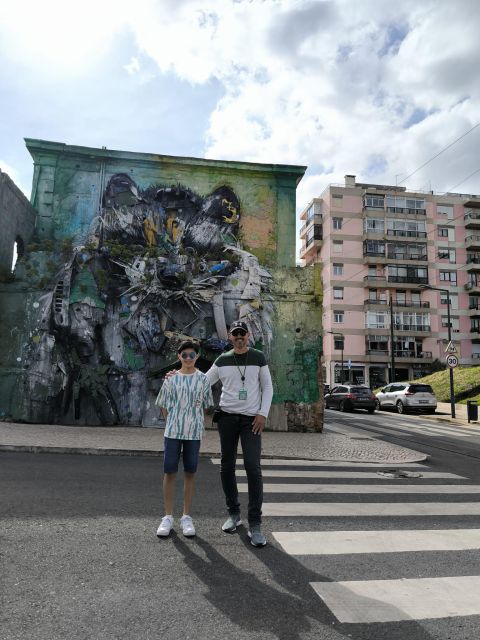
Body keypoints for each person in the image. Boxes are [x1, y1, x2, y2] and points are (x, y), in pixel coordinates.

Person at [207, 320, 273, 547]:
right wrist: (178, 377)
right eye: (235, 334)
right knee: (227, 466)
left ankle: (255, 523)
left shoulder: (258, 357)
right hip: (226, 418)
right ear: (229, 338)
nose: (239, 337)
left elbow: (268, 387)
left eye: (242, 334)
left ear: (249, 335)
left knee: (253, 467)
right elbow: (203, 382)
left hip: (250, 421)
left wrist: (262, 414)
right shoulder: (222, 360)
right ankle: (233, 514)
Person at [155, 340, 213, 538]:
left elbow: (205, 406)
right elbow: (163, 404)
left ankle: (186, 516)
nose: (188, 358)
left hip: (194, 433)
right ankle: (167, 516)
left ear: (196, 357)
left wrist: (193, 420)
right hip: (173, 432)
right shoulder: (171, 379)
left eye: (192, 355)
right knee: (169, 472)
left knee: (190, 472)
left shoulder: (204, 380)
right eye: (184, 355)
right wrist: (172, 420)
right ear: (179, 356)